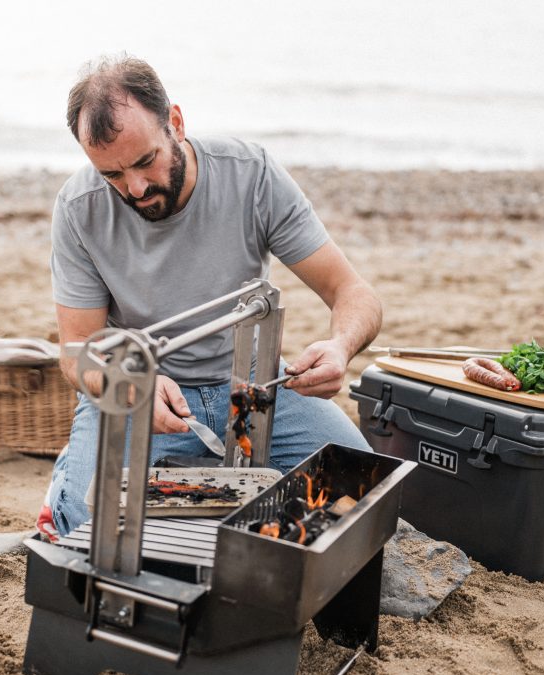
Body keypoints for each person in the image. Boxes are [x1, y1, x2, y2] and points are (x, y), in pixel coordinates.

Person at [39, 55, 381, 538]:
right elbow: (77, 352)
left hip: (253, 387)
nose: (135, 188)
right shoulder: (78, 208)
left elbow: (352, 291)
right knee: (88, 526)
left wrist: (340, 347)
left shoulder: (252, 174)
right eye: (112, 175)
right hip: (142, 390)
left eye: (144, 161)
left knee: (360, 488)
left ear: (175, 123)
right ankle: (68, 473)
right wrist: (126, 386)